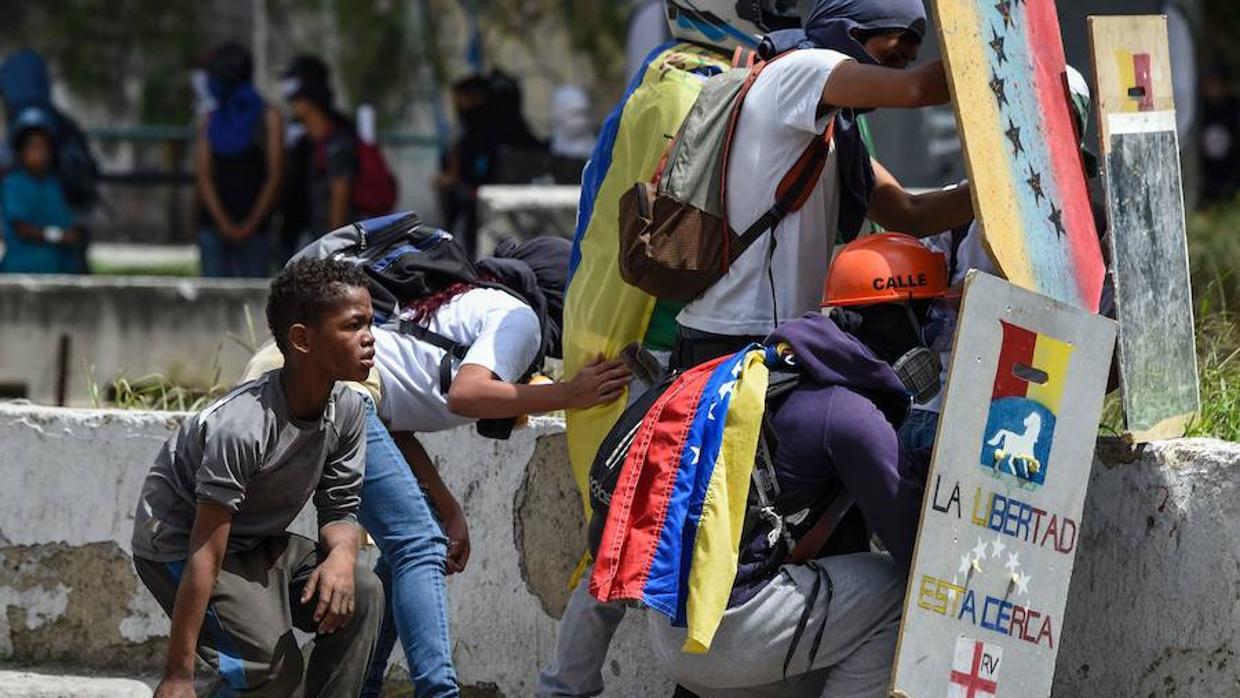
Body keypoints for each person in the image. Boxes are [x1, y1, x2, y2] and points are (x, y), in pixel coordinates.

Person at [242, 234, 629, 697]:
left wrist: (447, 507)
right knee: (419, 544)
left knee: (406, 545)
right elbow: (468, 393)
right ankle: (439, 692)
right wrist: (570, 394)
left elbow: (390, 419)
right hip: (330, 389)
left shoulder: (467, 300)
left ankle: (363, 687)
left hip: (296, 380)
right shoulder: (518, 318)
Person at [645, 233, 944, 697]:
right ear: (896, 319)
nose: (934, 337)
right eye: (928, 318)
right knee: (897, 596)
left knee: (838, 618)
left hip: (676, 625)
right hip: (726, 632)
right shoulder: (846, 414)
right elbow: (916, 551)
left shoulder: (768, 371)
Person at [670, 0, 975, 371]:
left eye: (903, 62)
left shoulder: (832, 128)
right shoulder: (801, 69)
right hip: (737, 338)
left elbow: (908, 215)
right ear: (848, 33)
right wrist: (997, 48)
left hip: (775, 338)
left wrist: (1005, 194)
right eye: (889, 55)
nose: (892, 72)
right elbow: (916, 89)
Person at [130, 258, 384, 697]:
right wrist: (177, 675)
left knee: (362, 590)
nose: (370, 338)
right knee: (268, 670)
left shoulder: (347, 409)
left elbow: (339, 509)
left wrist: (343, 556)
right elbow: (206, 548)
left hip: (253, 539)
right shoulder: (244, 425)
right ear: (302, 340)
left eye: (370, 324)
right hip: (179, 543)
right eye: (353, 325)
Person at [195, 42, 283, 278]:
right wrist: (223, 223)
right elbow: (204, 176)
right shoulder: (211, 119)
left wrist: (252, 223)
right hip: (214, 226)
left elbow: (274, 175)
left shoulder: (267, 117)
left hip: (256, 227)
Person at [0, 107, 86, 274]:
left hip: (60, 268)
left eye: (45, 147)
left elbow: (67, 221)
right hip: (24, 267)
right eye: (34, 147)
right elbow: (20, 227)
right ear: (21, 151)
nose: (41, 154)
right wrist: (57, 236)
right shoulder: (13, 184)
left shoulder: (53, 183)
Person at [282, 55, 357, 245]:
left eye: (296, 98)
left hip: (326, 241)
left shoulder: (337, 142)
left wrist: (332, 247)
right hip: (308, 236)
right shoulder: (304, 143)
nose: (291, 103)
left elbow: (339, 198)